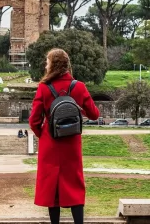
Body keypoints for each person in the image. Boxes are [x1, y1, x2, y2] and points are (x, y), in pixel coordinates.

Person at [29, 48, 100, 224]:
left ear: (52, 65)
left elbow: (34, 121)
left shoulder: (44, 88)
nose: (45, 65)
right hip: (72, 144)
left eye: (47, 61)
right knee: (74, 183)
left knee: (52, 186)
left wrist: (44, 135)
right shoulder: (79, 86)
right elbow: (94, 114)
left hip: (50, 144)